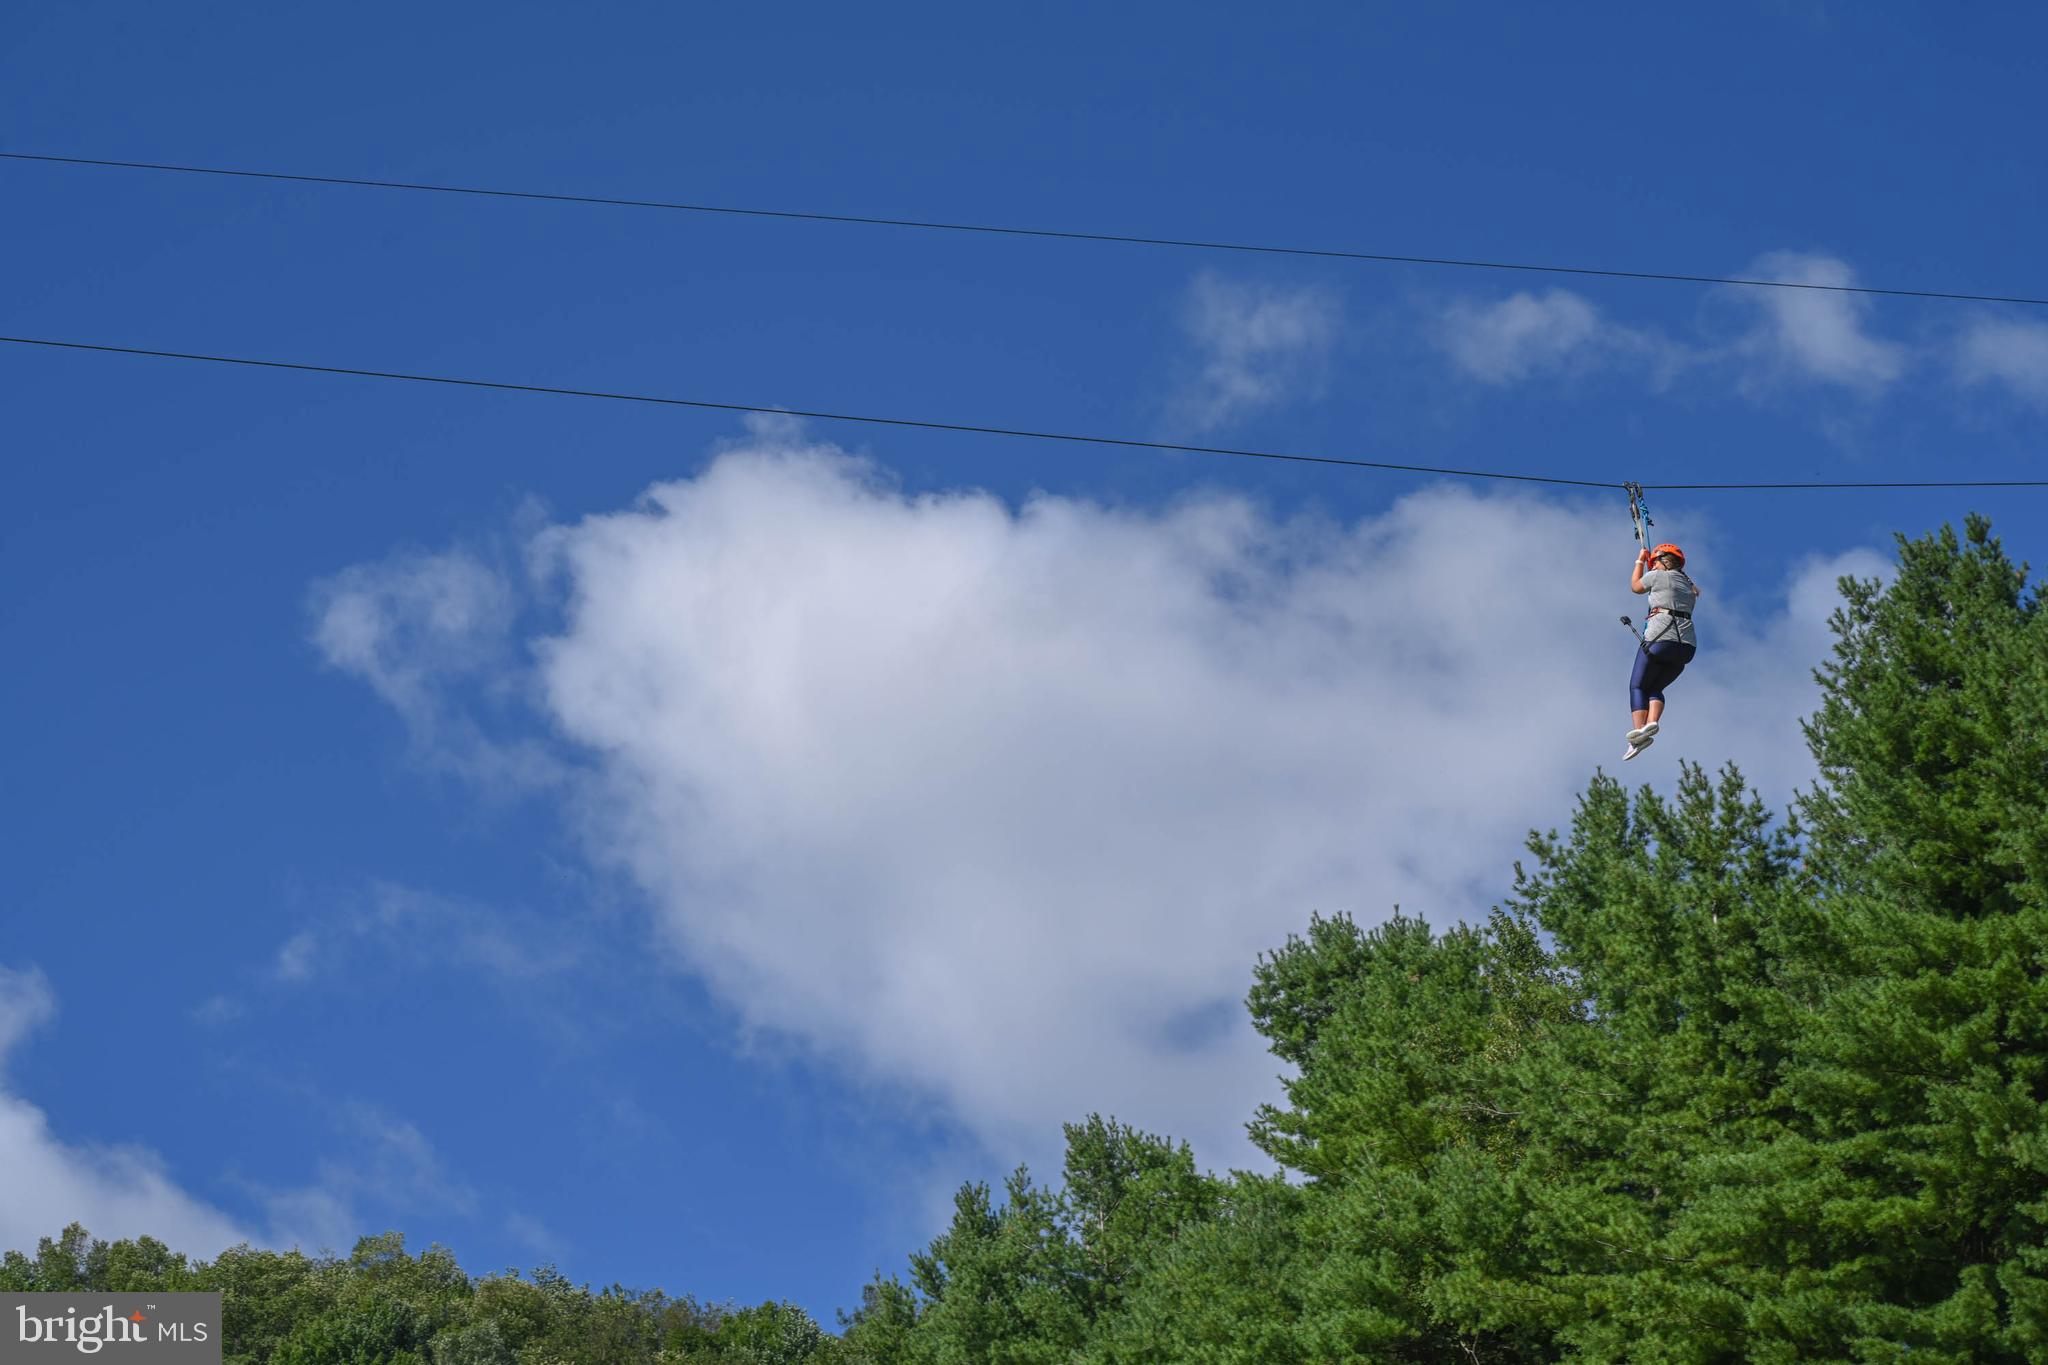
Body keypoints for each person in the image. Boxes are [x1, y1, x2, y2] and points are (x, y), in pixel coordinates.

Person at [1625, 542, 1699, 760]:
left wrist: (1640, 560)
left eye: (1653, 562)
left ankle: (1639, 732)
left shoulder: (1657, 576)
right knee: (1655, 687)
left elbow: (1636, 586)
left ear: (1660, 561)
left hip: (1660, 639)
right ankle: (1652, 723)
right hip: (1686, 647)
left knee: (1637, 685)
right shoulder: (1688, 587)